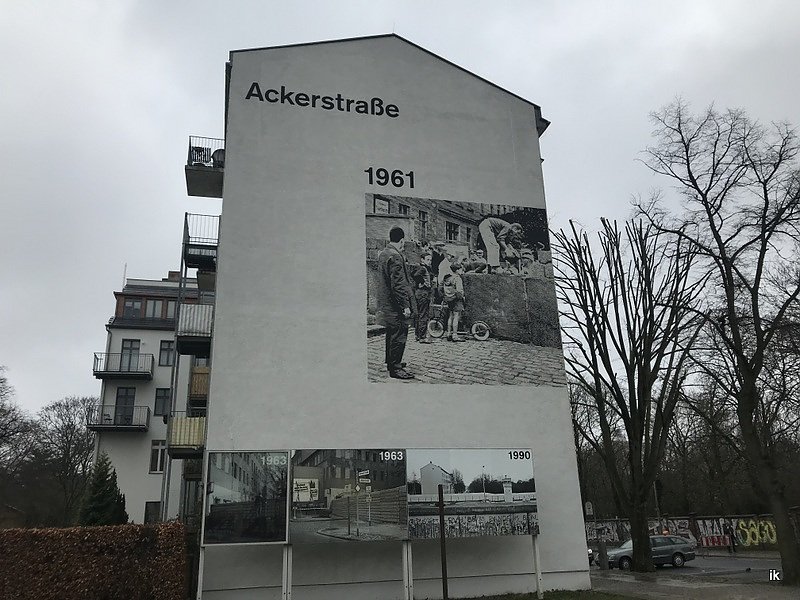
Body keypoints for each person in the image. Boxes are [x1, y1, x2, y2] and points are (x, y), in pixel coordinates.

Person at [376, 227, 415, 379]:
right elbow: (398, 285)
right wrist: (405, 306)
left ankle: (391, 362)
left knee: (391, 334)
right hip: (395, 305)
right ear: (402, 240)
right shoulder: (396, 256)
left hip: (387, 303)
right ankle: (396, 368)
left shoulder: (384, 253)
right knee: (399, 334)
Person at [411, 252, 434, 344]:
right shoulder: (422, 268)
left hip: (420, 293)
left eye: (430, 260)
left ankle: (418, 335)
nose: (429, 261)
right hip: (423, 294)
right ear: (422, 260)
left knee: (419, 314)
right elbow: (415, 275)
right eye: (427, 259)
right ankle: (422, 337)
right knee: (423, 315)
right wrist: (422, 283)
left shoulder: (422, 267)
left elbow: (412, 274)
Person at [442, 263, 466, 342]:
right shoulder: (457, 278)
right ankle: (455, 335)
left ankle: (449, 333)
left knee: (450, 316)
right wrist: (462, 297)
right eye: (460, 269)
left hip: (449, 299)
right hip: (456, 299)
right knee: (456, 316)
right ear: (457, 270)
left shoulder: (447, 277)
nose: (462, 270)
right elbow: (459, 291)